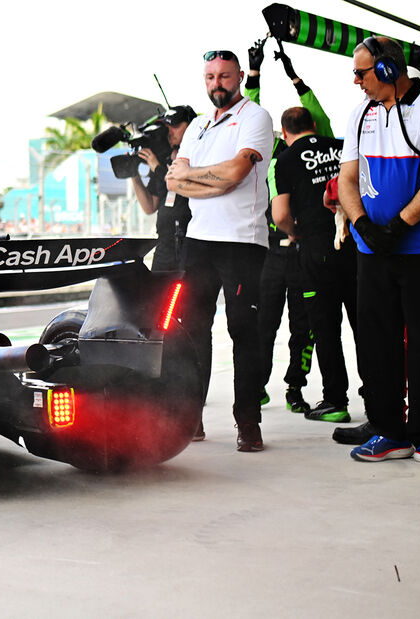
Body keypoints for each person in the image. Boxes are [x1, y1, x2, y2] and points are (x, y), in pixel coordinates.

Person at [166, 49, 275, 452]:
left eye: (225, 76)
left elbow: (236, 173)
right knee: (192, 333)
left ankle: (248, 422)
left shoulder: (254, 117)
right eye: (210, 77)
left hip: (242, 242)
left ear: (240, 76)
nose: (217, 84)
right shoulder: (197, 124)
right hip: (199, 241)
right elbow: (175, 182)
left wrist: (199, 177)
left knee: (243, 333)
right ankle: (191, 417)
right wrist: (209, 179)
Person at [337, 36, 420, 466]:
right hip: (371, 252)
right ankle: (388, 431)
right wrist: (362, 224)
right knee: (377, 344)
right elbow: (347, 177)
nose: (355, 81)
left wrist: (400, 225)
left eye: (361, 72)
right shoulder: (362, 112)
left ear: (388, 71)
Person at [245, 38, 336, 417]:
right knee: (264, 324)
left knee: (303, 328)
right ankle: (256, 386)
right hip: (271, 251)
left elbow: (318, 119)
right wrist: (268, 73)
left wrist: (268, 74)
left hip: (300, 251)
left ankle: (294, 389)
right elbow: (251, 115)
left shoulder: (315, 146)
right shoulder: (267, 150)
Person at [272, 107, 359, 426]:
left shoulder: (286, 159)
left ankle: (336, 401)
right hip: (354, 242)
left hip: (316, 249)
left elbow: (280, 214)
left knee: (325, 327)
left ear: (284, 133)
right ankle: (378, 396)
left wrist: (295, 232)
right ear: (313, 125)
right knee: (365, 323)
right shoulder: (339, 147)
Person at [130, 105, 196, 272]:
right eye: (167, 127)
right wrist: (134, 175)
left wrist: (158, 168)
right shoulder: (162, 160)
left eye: (175, 126)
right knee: (155, 297)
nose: (170, 132)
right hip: (164, 246)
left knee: (187, 298)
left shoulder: (198, 159)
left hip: (189, 246)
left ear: (192, 127)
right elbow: (149, 206)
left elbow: (186, 188)